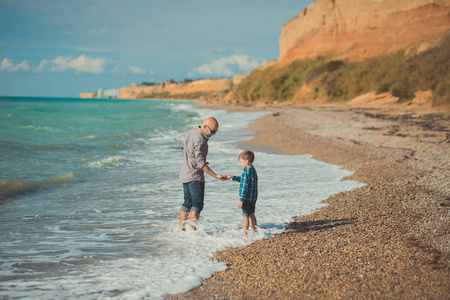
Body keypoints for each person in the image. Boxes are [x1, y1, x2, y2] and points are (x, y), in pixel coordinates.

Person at [179, 117, 229, 230]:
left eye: (216, 131)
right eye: (213, 131)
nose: (214, 134)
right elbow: (201, 164)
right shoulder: (201, 140)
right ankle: (192, 233)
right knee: (197, 205)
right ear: (205, 127)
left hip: (184, 174)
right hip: (195, 176)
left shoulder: (192, 131)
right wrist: (216, 176)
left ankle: (181, 231)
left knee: (187, 203)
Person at [226, 150, 258, 236]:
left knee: (245, 217)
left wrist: (241, 200)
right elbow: (244, 181)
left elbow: (244, 187)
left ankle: (245, 235)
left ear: (246, 161)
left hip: (246, 199)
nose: (241, 164)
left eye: (241, 162)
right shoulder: (252, 170)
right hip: (253, 198)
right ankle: (256, 232)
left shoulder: (245, 172)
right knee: (252, 215)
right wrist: (234, 177)